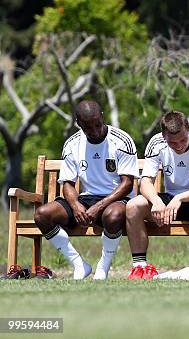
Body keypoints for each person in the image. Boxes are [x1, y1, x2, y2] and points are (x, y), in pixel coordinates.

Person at [34, 100, 138, 279]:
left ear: (102, 117)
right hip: (86, 199)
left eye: (98, 124)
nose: (95, 130)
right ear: (79, 123)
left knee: (113, 216)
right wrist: (75, 205)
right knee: (42, 215)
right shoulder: (72, 144)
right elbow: (67, 182)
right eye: (88, 127)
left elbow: (127, 183)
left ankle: (103, 267)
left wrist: (99, 206)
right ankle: (79, 265)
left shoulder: (122, 140)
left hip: (116, 199)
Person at [126, 111, 189, 279]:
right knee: (133, 206)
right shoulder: (156, 143)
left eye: (183, 140)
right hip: (171, 199)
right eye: (172, 142)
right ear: (163, 136)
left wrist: (180, 198)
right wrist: (156, 201)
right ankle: (140, 267)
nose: (179, 145)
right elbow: (145, 182)